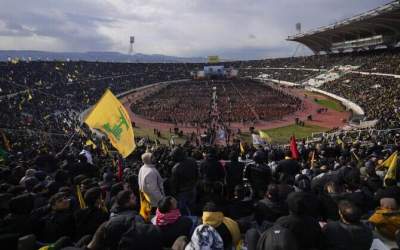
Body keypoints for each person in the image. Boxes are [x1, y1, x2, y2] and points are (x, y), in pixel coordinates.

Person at [170, 147, 199, 215]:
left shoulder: (176, 168)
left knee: (183, 210)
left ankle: (187, 220)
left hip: (182, 192)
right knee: (192, 206)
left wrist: (174, 193)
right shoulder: (193, 160)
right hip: (192, 188)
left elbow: (175, 184)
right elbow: (197, 174)